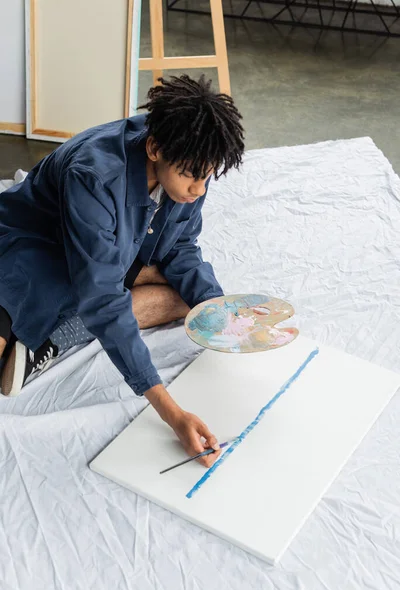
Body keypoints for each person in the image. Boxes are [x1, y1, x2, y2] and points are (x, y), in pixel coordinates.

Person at [0, 74, 244, 467]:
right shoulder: (94, 175)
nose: (199, 189)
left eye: (207, 176)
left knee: (190, 301)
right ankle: (37, 330)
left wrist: (217, 308)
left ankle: (56, 339)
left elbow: (180, 248)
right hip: (32, 244)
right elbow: (101, 295)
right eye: (191, 176)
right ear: (154, 148)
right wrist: (171, 411)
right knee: (26, 307)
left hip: (107, 251)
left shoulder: (189, 162)